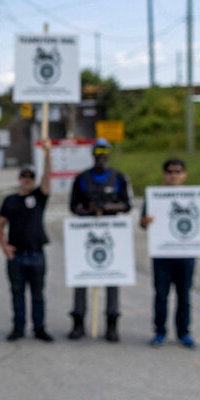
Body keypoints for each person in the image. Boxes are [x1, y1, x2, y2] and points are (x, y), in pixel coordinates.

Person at [140, 158, 200, 349]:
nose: (174, 175)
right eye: (170, 171)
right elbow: (142, 224)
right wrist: (146, 221)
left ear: (184, 174)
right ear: (164, 175)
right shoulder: (155, 197)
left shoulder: (197, 198)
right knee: (161, 295)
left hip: (186, 255)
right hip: (162, 255)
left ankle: (184, 332)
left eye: (178, 171)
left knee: (184, 296)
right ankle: (159, 331)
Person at [68, 138, 131, 342]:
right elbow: (73, 206)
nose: (101, 156)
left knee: (112, 278)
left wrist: (105, 209)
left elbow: (126, 205)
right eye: (98, 152)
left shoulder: (118, 177)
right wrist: (88, 210)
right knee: (81, 277)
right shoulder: (82, 178)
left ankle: (112, 323)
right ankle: (78, 322)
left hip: (111, 235)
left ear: (108, 154)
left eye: (104, 152)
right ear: (93, 154)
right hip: (86, 234)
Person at [0, 141, 53, 343]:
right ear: (19, 178)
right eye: (24, 176)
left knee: (38, 294)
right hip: (17, 255)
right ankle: (18, 327)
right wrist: (4, 247)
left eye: (31, 177)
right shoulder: (10, 200)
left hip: (36, 254)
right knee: (17, 294)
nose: (27, 180)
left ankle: (40, 328)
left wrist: (48, 155)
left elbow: (47, 180)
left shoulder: (39, 196)